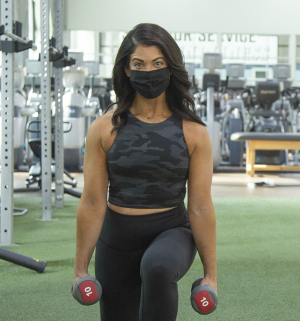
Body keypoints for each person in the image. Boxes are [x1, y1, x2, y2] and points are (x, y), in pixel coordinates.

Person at [73, 23, 217, 321]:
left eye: (158, 63)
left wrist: (210, 275)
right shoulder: (104, 128)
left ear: (170, 68)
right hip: (117, 238)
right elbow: (92, 202)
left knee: (158, 267)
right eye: (139, 64)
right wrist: (80, 269)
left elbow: (201, 206)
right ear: (127, 69)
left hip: (171, 231)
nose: (149, 71)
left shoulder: (193, 132)